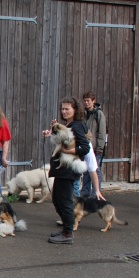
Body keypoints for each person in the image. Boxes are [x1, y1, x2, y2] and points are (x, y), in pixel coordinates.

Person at [41, 97, 90, 244]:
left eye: (67, 108)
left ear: (75, 110)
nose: (64, 111)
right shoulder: (68, 125)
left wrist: (69, 151)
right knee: (57, 200)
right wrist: (51, 133)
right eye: (62, 108)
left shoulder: (77, 126)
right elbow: (63, 139)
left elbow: (85, 147)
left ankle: (68, 234)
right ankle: (66, 229)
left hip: (68, 170)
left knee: (64, 201)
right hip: (61, 170)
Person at [81, 91, 106, 198]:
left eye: (88, 101)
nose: (86, 103)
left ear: (93, 101)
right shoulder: (83, 114)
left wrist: (100, 147)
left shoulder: (98, 114)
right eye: (85, 101)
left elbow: (102, 131)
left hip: (95, 146)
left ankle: (97, 192)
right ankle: (85, 192)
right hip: (85, 146)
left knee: (95, 169)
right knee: (86, 170)